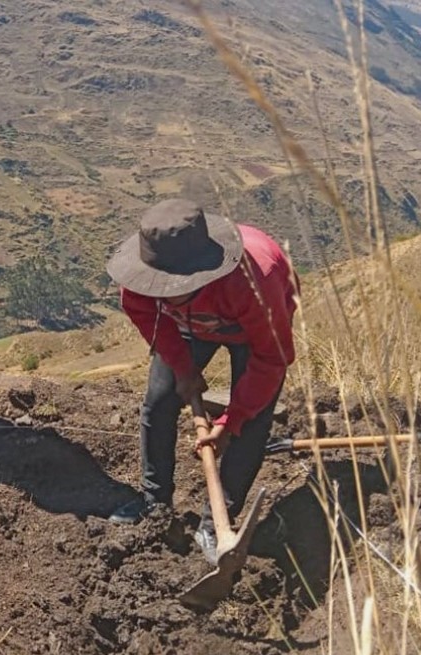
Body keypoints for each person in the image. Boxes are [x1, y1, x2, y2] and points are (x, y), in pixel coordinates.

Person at [104, 199, 298, 562]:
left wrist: (231, 420)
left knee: (252, 423)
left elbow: (272, 358)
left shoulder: (256, 281)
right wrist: (183, 369)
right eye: (157, 284)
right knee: (159, 402)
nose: (159, 290)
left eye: (171, 286)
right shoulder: (144, 278)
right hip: (189, 327)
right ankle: (155, 504)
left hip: (252, 329)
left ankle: (217, 524)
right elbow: (149, 319)